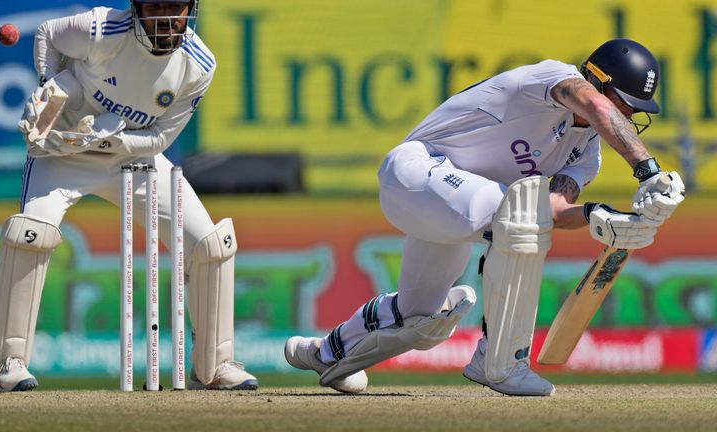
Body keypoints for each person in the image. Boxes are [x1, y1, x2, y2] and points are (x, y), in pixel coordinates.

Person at [284, 38, 685, 396]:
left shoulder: (587, 156)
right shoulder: (552, 79)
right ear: (596, 80)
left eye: (636, 110)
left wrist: (601, 216)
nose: (629, 117)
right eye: (625, 104)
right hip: (413, 173)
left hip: (455, 204)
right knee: (516, 216)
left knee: (420, 320)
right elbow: (593, 107)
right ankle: (501, 362)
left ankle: (323, 352)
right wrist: (648, 171)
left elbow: (550, 210)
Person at [0, 0, 259, 392]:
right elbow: (48, 32)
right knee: (30, 236)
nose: (168, 19)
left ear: (191, 9)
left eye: (177, 8)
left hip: (135, 157)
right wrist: (48, 83)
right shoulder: (101, 29)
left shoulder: (199, 63)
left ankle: (214, 367)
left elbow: (162, 137)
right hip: (62, 153)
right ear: (137, 8)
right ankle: (9, 362)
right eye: (157, 7)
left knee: (210, 246)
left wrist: (109, 137)